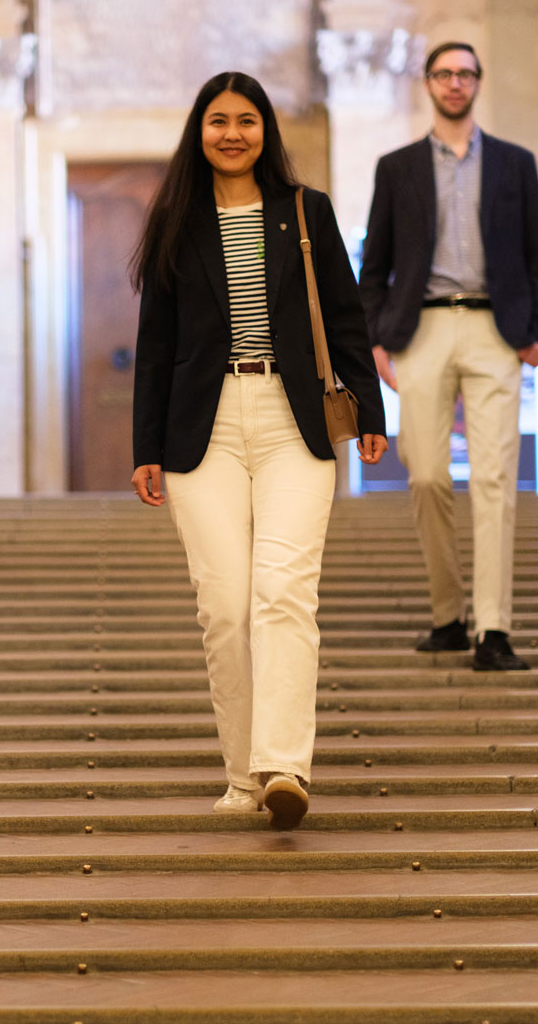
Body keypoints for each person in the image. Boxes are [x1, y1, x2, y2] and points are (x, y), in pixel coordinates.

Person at [131, 71, 388, 831]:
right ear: (199, 132)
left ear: (266, 131)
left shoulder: (305, 212)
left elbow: (344, 317)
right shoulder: (178, 218)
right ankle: (242, 774)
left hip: (291, 418)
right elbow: (156, 344)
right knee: (226, 607)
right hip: (200, 428)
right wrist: (147, 444)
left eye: (247, 120)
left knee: (283, 592)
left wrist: (369, 408)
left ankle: (284, 767)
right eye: (219, 121)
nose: (233, 133)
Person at [357, 41, 538, 672]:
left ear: (477, 83)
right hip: (423, 330)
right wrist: (376, 339)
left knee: (495, 480)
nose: (455, 83)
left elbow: (535, 256)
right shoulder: (398, 168)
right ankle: (448, 614)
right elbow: (376, 264)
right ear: (428, 84)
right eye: (444, 74)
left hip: (496, 330)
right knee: (427, 476)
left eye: (466, 73)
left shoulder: (513, 165)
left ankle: (493, 630)